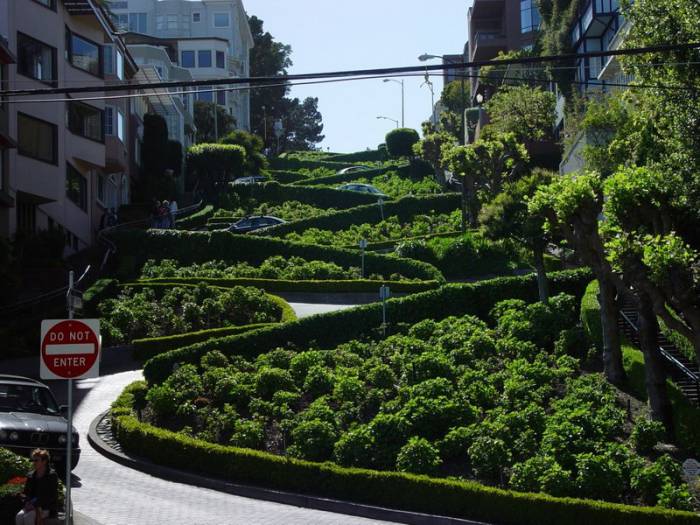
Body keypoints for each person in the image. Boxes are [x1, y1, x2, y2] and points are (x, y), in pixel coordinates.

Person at [16, 449, 58, 525]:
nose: (34, 462)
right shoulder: (31, 475)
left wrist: (35, 505)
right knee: (19, 516)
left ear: (44, 461)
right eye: (33, 460)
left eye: (36, 460)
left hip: (45, 507)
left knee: (28, 517)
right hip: (31, 506)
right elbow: (26, 493)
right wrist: (26, 502)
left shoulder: (51, 476)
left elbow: (51, 496)